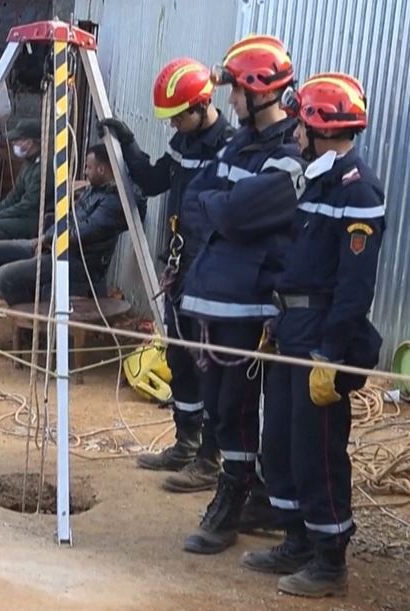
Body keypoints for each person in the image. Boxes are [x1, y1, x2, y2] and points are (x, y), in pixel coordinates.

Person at [233, 73, 384, 598]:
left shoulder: (356, 189)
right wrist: (277, 322)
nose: (294, 131)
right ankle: (295, 538)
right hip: (291, 329)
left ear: (320, 128)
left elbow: (353, 286)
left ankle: (329, 558)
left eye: (302, 122)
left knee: (318, 449)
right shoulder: (316, 180)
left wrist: (330, 354)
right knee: (280, 443)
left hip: (322, 336)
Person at [176, 36, 304, 555]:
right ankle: (247, 494)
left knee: (238, 407)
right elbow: (195, 199)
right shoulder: (238, 144)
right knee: (222, 408)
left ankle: (234, 500)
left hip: (251, 304)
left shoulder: (290, 155)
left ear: (259, 92)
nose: (228, 100)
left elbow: (230, 213)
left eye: (235, 91)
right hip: (215, 296)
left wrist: (221, 207)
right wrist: (221, 206)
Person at [99, 58, 235, 494]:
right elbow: (156, 179)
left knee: (209, 362)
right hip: (179, 264)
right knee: (179, 356)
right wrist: (129, 144)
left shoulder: (229, 147)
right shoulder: (184, 141)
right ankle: (185, 441)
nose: (174, 122)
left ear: (202, 104)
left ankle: (209, 460)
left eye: (180, 114)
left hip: (211, 268)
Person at [0, 144, 139, 306]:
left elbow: (80, 233)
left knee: (5, 276)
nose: (85, 172)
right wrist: (44, 238)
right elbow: (66, 219)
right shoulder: (94, 191)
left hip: (78, 264)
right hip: (56, 248)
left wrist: (46, 240)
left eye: (89, 167)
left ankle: (36, 321)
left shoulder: (113, 202)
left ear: (101, 170)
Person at [0, 120, 50, 244]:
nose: (14, 143)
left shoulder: (43, 168)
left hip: (37, 219)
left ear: (29, 143)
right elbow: (14, 196)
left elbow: (28, 205)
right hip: (25, 215)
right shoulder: (28, 163)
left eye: (17, 140)